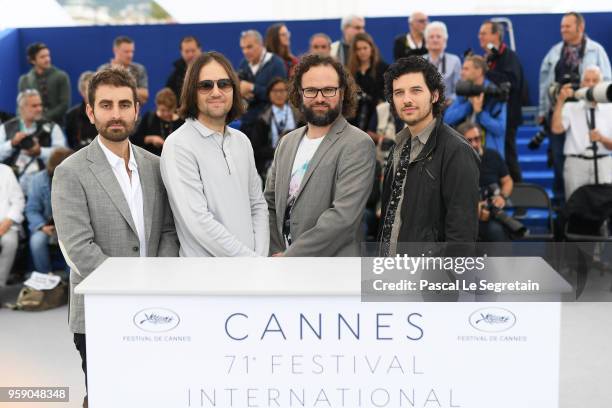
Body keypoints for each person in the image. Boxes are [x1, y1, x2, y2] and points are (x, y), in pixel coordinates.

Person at [51, 68, 179, 407]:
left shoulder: (155, 166)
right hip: (98, 313)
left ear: (137, 109)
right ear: (91, 113)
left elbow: (168, 230)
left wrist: (156, 281)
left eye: (125, 104)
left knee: (153, 394)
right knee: (106, 397)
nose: (116, 113)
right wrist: (132, 288)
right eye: (106, 105)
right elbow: (78, 249)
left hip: (155, 309)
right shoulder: (70, 172)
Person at [264, 54, 376, 256]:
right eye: (311, 90)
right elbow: (270, 204)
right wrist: (274, 251)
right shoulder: (286, 143)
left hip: (332, 273)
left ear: (342, 93)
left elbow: (343, 217)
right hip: (281, 268)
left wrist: (290, 256)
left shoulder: (358, 144)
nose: (320, 98)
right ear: (299, 93)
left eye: (328, 90)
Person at [161, 52, 269, 257]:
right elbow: (197, 220)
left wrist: (259, 258)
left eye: (224, 84)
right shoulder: (178, 145)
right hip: (206, 281)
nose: (216, 92)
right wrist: (250, 261)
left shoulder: (242, 141)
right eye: (206, 85)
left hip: (251, 275)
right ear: (192, 91)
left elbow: (257, 205)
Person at [379, 56, 479, 256]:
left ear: (434, 95)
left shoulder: (457, 150)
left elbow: (461, 236)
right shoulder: (398, 146)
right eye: (399, 93)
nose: (406, 99)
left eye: (416, 90)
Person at [539, 12, 611, 203]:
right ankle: (564, 208)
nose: (563, 30)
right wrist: (542, 110)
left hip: (590, 112)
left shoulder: (597, 51)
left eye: (567, 26)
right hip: (560, 111)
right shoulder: (554, 52)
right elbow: (544, 83)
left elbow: (607, 84)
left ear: (580, 28)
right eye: (562, 26)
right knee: (559, 161)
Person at [551, 66, 612, 200]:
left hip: (604, 163)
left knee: (605, 206)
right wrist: (560, 101)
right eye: (587, 80)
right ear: (581, 84)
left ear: (601, 84)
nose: (590, 84)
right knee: (575, 206)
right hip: (576, 164)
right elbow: (556, 129)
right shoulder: (570, 107)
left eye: (595, 81)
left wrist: (602, 139)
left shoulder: (610, 109)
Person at [479, 20, 526, 182]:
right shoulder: (491, 57)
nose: (480, 37)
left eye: (484, 33)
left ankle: (520, 200)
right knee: (496, 157)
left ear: (496, 35)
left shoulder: (509, 56)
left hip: (506, 117)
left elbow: (511, 83)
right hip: (491, 116)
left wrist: (483, 73)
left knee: (509, 156)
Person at [0, 89, 66, 192]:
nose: (39, 109)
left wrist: (40, 152)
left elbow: (62, 156)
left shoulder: (52, 128)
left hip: (44, 185)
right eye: (34, 106)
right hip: (12, 183)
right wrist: (12, 144)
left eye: (40, 105)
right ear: (22, 108)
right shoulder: (6, 128)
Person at [458, 122, 513, 241]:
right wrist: (473, 207)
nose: (474, 144)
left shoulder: (493, 155)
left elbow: (507, 181)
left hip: (492, 211)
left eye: (477, 139)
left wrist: (502, 197)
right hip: (464, 215)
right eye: (469, 140)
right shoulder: (455, 160)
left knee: (498, 232)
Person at [444, 55, 507, 158]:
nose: (461, 72)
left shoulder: (496, 94)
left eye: (466, 69)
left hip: (489, 155)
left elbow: (500, 129)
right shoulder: (464, 92)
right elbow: (448, 119)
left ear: (479, 71)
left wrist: (480, 113)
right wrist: (470, 104)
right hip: (465, 154)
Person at [26, 148, 73, 274]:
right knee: (37, 241)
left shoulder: (78, 178)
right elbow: (31, 209)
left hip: (73, 227)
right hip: (47, 226)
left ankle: (70, 278)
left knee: (75, 243)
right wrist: (42, 226)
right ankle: (46, 277)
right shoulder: (38, 180)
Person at [237, 30, 287, 136]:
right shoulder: (244, 64)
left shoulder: (276, 64)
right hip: (247, 124)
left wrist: (252, 88)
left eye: (249, 47)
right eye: (243, 48)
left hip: (269, 126)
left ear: (261, 44)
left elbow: (281, 96)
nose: (245, 51)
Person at [251, 77, 302, 178]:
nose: (279, 94)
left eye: (282, 91)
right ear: (269, 94)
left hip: (298, 158)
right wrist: (278, 151)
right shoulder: (263, 119)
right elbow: (257, 150)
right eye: (275, 91)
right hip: (272, 162)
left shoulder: (298, 116)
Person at [18, 42, 71, 125]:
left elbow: (64, 105)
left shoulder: (61, 76)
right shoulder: (24, 80)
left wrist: (43, 118)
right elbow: (21, 106)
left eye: (48, 55)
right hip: (31, 125)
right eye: (42, 57)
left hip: (56, 124)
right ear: (32, 60)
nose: (47, 59)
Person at [347, 32, 389, 131]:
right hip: (355, 118)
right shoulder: (350, 71)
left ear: (371, 48)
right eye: (358, 49)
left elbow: (386, 94)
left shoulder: (383, 68)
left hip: (376, 117)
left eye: (365, 48)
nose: (362, 52)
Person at [131, 87, 184, 156]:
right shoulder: (149, 118)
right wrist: (151, 139)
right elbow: (134, 139)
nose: (165, 114)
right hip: (151, 161)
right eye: (162, 110)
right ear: (157, 105)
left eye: (169, 110)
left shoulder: (181, 122)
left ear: (174, 108)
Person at [98, 36, 149, 104]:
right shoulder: (103, 70)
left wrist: (117, 88)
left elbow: (145, 95)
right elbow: (101, 94)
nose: (130, 55)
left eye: (132, 51)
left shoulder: (139, 69)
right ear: (115, 50)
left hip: (134, 113)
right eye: (126, 52)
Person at [424, 21, 461, 102]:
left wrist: (451, 100)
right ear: (426, 40)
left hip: (447, 107)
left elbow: (458, 90)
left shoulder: (455, 61)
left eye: (438, 36)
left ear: (445, 40)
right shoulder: (420, 61)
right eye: (431, 37)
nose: (435, 40)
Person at [0, 163, 24, 287]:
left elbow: (18, 200)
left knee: (10, 242)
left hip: (6, 224)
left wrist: (8, 220)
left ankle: (0, 284)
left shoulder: (6, 170)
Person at [64, 71, 98, 150]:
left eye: (96, 88)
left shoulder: (108, 113)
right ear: (82, 93)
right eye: (90, 89)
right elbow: (71, 144)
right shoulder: (71, 116)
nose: (94, 92)